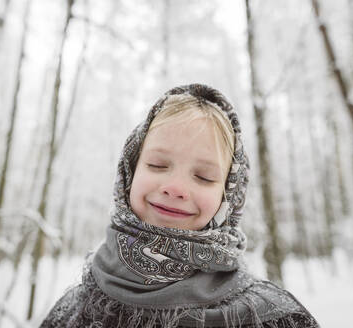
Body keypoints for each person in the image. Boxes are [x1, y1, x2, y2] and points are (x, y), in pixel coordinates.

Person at [40, 84, 319, 328]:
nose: (175, 188)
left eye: (204, 177)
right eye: (157, 165)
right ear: (130, 172)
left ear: (228, 197)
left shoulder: (277, 319)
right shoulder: (72, 310)